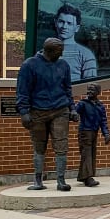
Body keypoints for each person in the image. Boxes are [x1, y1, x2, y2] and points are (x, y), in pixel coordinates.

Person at [16, 38, 79, 191]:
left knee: (61, 145)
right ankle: (38, 180)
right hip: (37, 111)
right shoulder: (29, 65)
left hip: (60, 110)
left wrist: (72, 108)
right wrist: (24, 112)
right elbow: (22, 91)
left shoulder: (63, 65)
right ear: (49, 51)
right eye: (59, 51)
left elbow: (68, 89)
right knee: (39, 147)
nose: (62, 54)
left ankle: (61, 180)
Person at [73, 83, 110, 187]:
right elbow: (74, 112)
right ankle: (88, 178)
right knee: (87, 154)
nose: (89, 92)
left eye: (92, 90)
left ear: (98, 92)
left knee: (92, 153)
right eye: (88, 90)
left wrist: (106, 133)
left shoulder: (100, 106)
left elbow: (103, 121)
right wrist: (73, 112)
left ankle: (85, 176)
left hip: (94, 132)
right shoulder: (82, 103)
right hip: (85, 132)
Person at [54, 3, 97, 81]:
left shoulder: (86, 54)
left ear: (77, 28)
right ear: (55, 23)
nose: (64, 27)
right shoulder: (43, 53)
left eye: (69, 23)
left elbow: (90, 86)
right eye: (61, 22)